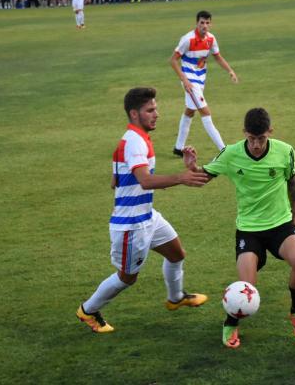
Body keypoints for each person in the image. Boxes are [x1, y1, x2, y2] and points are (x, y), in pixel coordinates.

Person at [76, 87, 210, 333]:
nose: (156, 114)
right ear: (134, 114)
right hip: (131, 224)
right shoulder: (135, 142)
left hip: (148, 216)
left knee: (176, 253)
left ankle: (175, 297)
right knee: (127, 278)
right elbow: (145, 181)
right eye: (150, 110)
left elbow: (117, 180)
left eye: (155, 109)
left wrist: (186, 169)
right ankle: (88, 310)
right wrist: (180, 178)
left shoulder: (134, 139)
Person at [182, 107, 295, 349]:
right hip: (249, 230)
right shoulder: (230, 154)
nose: (256, 145)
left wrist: (293, 218)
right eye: (251, 139)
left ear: (269, 133)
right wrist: (193, 168)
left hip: (281, 225)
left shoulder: (286, 152)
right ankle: (230, 324)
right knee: (245, 289)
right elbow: (203, 178)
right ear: (244, 134)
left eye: (261, 139)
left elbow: (292, 184)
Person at [171, 11, 238, 156]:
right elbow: (173, 60)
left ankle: (178, 147)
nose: (205, 26)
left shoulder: (211, 39)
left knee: (190, 111)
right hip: (190, 82)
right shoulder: (188, 39)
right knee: (206, 113)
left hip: (200, 80)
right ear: (197, 23)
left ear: (211, 24)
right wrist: (185, 80)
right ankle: (224, 150)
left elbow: (218, 57)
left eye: (207, 23)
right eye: (202, 23)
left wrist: (230, 71)